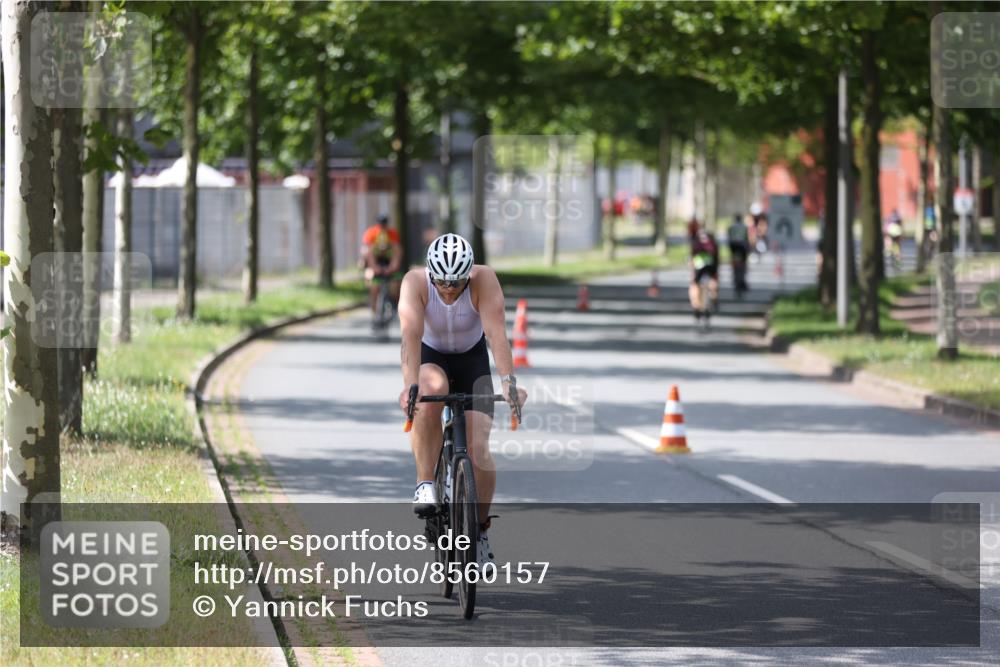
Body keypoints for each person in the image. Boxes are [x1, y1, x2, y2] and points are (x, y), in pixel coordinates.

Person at [397, 233, 527, 567]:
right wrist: (410, 386)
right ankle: (425, 483)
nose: (450, 289)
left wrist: (509, 384)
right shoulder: (415, 282)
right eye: (442, 282)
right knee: (429, 393)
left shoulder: (484, 280)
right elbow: (410, 336)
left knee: (478, 447)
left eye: (457, 282)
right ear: (431, 273)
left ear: (469, 274)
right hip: (431, 356)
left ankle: (480, 532)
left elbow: (497, 334)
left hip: (472, 360)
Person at [361, 214, 403, 324]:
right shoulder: (371, 233)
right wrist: (374, 268)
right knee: (373, 287)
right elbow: (367, 252)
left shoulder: (392, 234)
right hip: (374, 266)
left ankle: (394, 307)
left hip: (389, 265)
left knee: (395, 286)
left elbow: (397, 252)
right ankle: (375, 313)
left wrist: (392, 268)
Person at [688, 224, 720, 326]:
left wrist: (692, 273)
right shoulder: (713, 243)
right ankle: (712, 302)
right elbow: (717, 259)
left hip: (698, 268)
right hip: (711, 268)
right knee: (712, 285)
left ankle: (696, 307)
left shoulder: (695, 243)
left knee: (694, 286)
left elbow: (692, 259)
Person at [727, 213, 750, 294]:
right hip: (742, 247)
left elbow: (729, 238)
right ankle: (741, 280)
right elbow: (746, 238)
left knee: (735, 264)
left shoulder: (731, 227)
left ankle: (736, 278)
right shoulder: (744, 227)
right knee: (743, 264)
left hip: (734, 247)